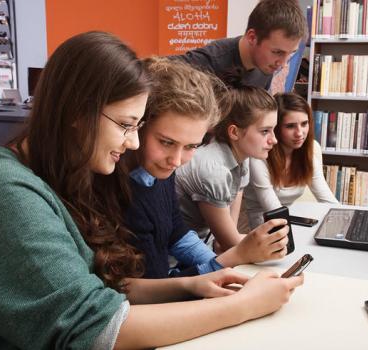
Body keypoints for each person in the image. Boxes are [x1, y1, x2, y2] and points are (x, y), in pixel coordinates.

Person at [0, 32, 303, 350]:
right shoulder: (3, 192)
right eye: (127, 125)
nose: (133, 143)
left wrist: (193, 284)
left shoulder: (50, 179)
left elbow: (99, 289)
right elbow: (96, 328)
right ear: (78, 112)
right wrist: (244, 306)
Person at [123, 57, 290, 279]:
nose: (176, 160)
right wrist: (230, 261)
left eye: (191, 146)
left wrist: (220, 265)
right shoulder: (127, 191)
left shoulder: (162, 171)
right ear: (139, 126)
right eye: (166, 142)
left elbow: (177, 233)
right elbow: (156, 286)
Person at [175, 74, 280, 253]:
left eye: (273, 130)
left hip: (203, 248)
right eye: (265, 131)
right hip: (178, 263)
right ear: (234, 132)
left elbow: (225, 239)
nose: (274, 140)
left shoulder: (242, 161)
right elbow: (231, 244)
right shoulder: (214, 171)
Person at [243, 92, 338, 230]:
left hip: (289, 224)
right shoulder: (258, 156)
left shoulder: (308, 154)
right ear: (275, 127)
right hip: (257, 228)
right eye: (290, 126)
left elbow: (328, 201)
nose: (299, 133)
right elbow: (274, 210)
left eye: (304, 124)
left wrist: (349, 220)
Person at [174, 0, 306, 90]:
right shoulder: (209, 60)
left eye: (291, 53)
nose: (283, 64)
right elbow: (154, 67)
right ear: (252, 37)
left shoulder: (267, 66)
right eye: (277, 52)